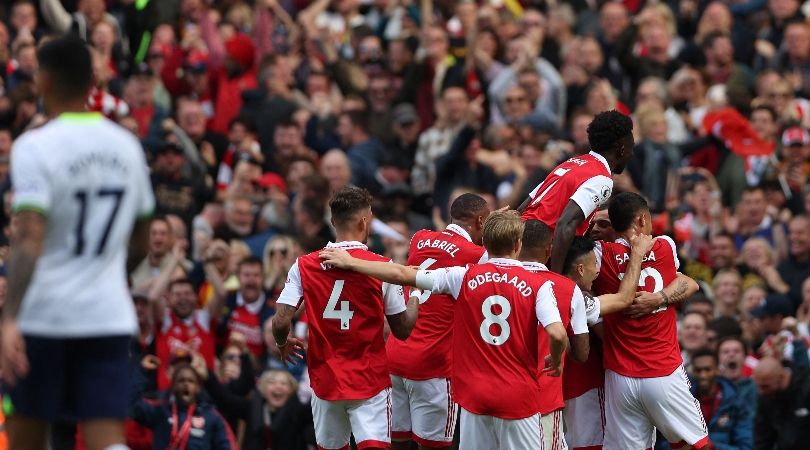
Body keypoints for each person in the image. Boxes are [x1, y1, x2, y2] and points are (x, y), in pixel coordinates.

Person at [1, 36, 155, 450]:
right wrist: (108, 275)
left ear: (43, 80)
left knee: (27, 435)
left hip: (46, 315)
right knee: (106, 436)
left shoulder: (35, 145)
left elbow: (30, 238)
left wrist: (9, 317)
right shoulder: (126, 145)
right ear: (92, 81)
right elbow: (142, 238)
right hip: (107, 314)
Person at [319, 210, 569, 450]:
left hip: (474, 396)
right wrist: (556, 359)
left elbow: (402, 274)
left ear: (486, 242)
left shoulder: (463, 276)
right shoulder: (539, 284)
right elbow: (557, 334)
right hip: (517, 395)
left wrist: (352, 263)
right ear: (518, 245)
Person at [272, 186, 419, 450]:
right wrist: (415, 294)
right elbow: (403, 330)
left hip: (325, 380)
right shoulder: (381, 267)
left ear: (332, 222)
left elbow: (281, 322)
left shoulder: (304, 264)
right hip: (369, 382)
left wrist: (283, 344)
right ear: (364, 221)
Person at [594, 192, 710, 450]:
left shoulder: (601, 255)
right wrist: (660, 298)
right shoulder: (665, 246)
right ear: (643, 219)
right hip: (663, 370)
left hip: (619, 377)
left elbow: (688, 283)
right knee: (695, 443)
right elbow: (687, 282)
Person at [387, 193, 489, 450]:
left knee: (396, 442)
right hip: (434, 365)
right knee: (433, 446)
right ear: (479, 221)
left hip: (395, 356)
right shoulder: (477, 256)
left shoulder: (419, 238)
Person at [518, 110, 635, 272]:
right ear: (621, 149)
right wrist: (556, 275)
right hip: (535, 254)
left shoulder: (571, 162)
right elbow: (566, 224)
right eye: (631, 148)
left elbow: (523, 206)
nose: (632, 154)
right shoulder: (602, 178)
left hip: (517, 244)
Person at [518, 220, 590, 450]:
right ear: (549, 249)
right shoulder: (567, 288)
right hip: (542, 398)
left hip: (491, 396)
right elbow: (581, 353)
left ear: (516, 245)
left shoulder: (490, 279)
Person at [130, 360, 237, 449]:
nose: (186, 384)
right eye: (181, 380)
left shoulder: (211, 416)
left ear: (198, 388)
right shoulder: (161, 410)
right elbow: (132, 405)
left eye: (191, 381)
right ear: (173, 386)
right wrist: (142, 370)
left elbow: (229, 446)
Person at [686, 349, 754, 450]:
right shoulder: (685, 401)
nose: (703, 375)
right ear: (693, 372)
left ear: (718, 370)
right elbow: (666, 442)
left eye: (707, 369)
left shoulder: (736, 402)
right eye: (698, 370)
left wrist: (713, 447)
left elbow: (746, 446)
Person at [752, 357, 810, 450]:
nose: (760, 391)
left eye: (765, 386)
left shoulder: (806, 390)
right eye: (758, 386)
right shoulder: (766, 397)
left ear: (782, 377)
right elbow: (762, 437)